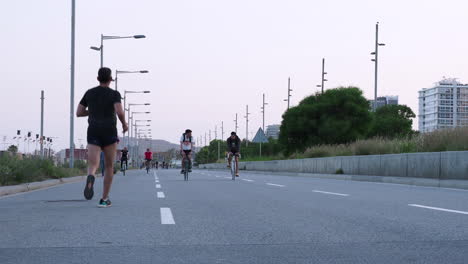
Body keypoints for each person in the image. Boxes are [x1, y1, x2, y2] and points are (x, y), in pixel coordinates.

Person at [76, 67, 128, 208]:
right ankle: (104, 199)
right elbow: (119, 111)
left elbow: (79, 112)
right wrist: (124, 124)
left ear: (98, 78)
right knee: (109, 166)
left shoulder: (90, 93)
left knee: (93, 164)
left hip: (93, 130)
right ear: (110, 79)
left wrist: (92, 111)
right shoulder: (114, 94)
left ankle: (91, 176)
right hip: (109, 132)